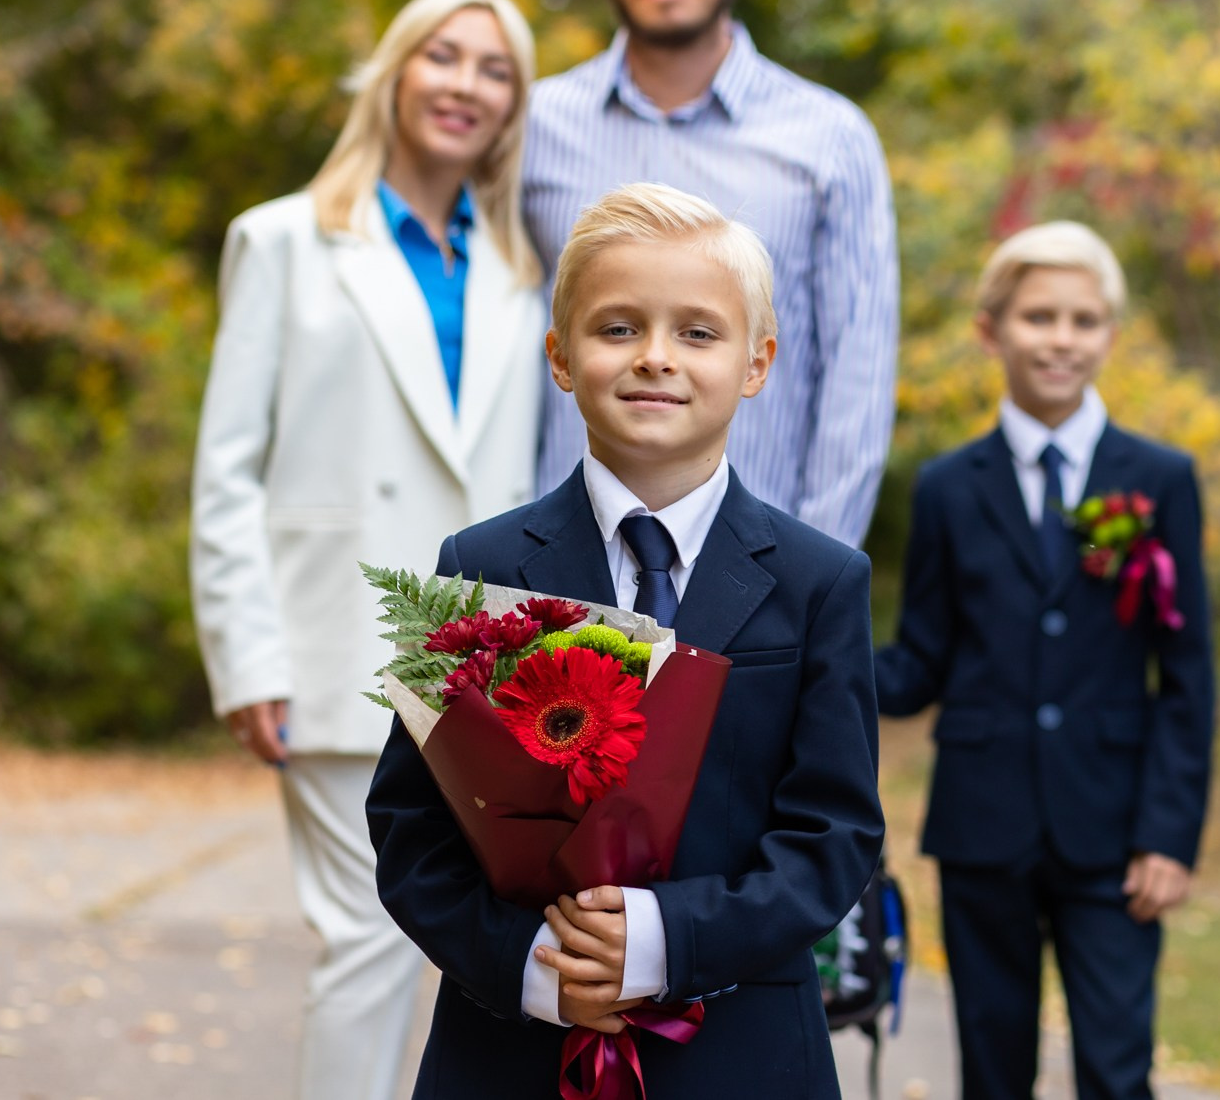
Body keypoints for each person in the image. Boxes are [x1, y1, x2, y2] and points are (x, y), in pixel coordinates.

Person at [367, 182, 886, 1098]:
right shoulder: (478, 562)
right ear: (560, 357)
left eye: (697, 332)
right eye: (617, 329)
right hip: (511, 1052)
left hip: (742, 1054)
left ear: (757, 362)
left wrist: (659, 940)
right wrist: (536, 963)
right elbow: (412, 829)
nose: (656, 358)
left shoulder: (821, 582)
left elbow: (832, 837)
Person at [189, 0, 547, 1100]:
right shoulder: (284, 241)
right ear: (394, 71)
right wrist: (247, 654)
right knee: (369, 938)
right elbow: (228, 466)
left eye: (495, 70)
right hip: (337, 639)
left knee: (483, 949)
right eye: (444, 56)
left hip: (483, 656)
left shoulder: (519, 271)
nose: (466, 86)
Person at [873, 222, 1216, 1100]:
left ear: (1108, 332)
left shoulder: (1160, 478)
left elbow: (1187, 673)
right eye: (1039, 317)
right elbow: (922, 660)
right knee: (993, 1069)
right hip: (983, 824)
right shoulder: (950, 486)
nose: (1061, 338)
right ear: (992, 330)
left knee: (1115, 1064)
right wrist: (822, 659)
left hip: (1115, 832)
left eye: (1083, 319)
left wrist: (1169, 834)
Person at [523, 0, 897, 550]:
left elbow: (857, 382)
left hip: (759, 575)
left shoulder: (830, 137)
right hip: (558, 582)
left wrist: (802, 585)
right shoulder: (534, 129)